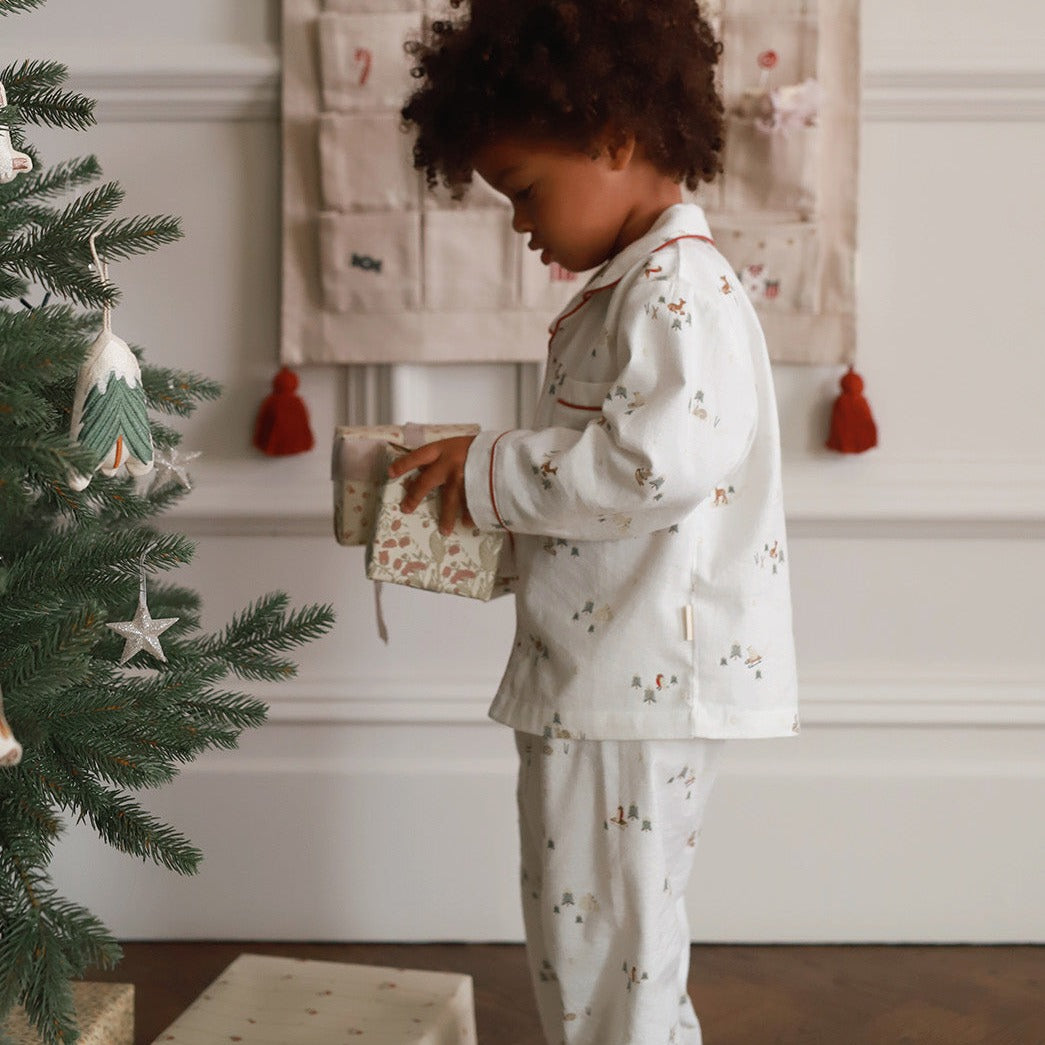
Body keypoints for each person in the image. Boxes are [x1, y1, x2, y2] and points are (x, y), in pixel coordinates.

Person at [393, 2, 799, 1042]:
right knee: (597, 939)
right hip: (603, 673)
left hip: (633, 681)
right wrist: (487, 511)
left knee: (606, 949)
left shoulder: (676, 291)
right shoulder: (637, 290)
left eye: (525, 192)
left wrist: (490, 471)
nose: (522, 225)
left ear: (616, 142)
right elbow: (614, 487)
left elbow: (649, 464)